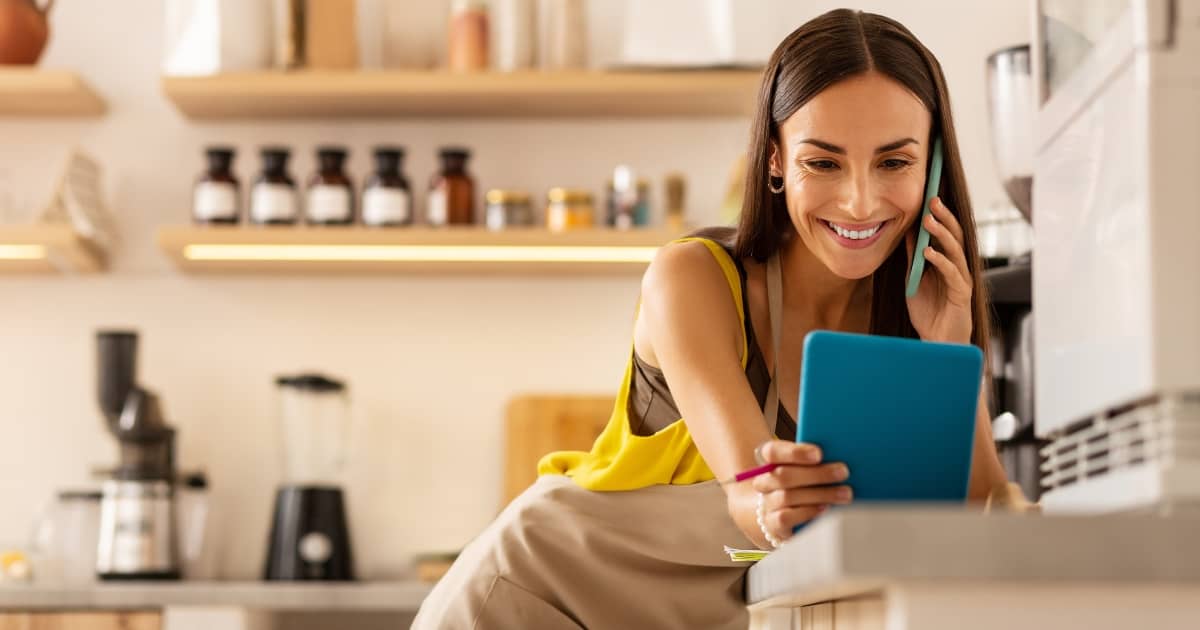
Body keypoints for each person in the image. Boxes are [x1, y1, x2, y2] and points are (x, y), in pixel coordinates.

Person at [413, 8, 1017, 629]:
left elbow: (978, 519)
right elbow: (749, 493)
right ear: (776, 159)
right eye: (823, 162)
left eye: (894, 162)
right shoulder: (693, 281)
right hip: (532, 597)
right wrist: (773, 500)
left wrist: (950, 351)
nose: (860, 200)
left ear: (934, 164)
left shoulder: (918, 316)